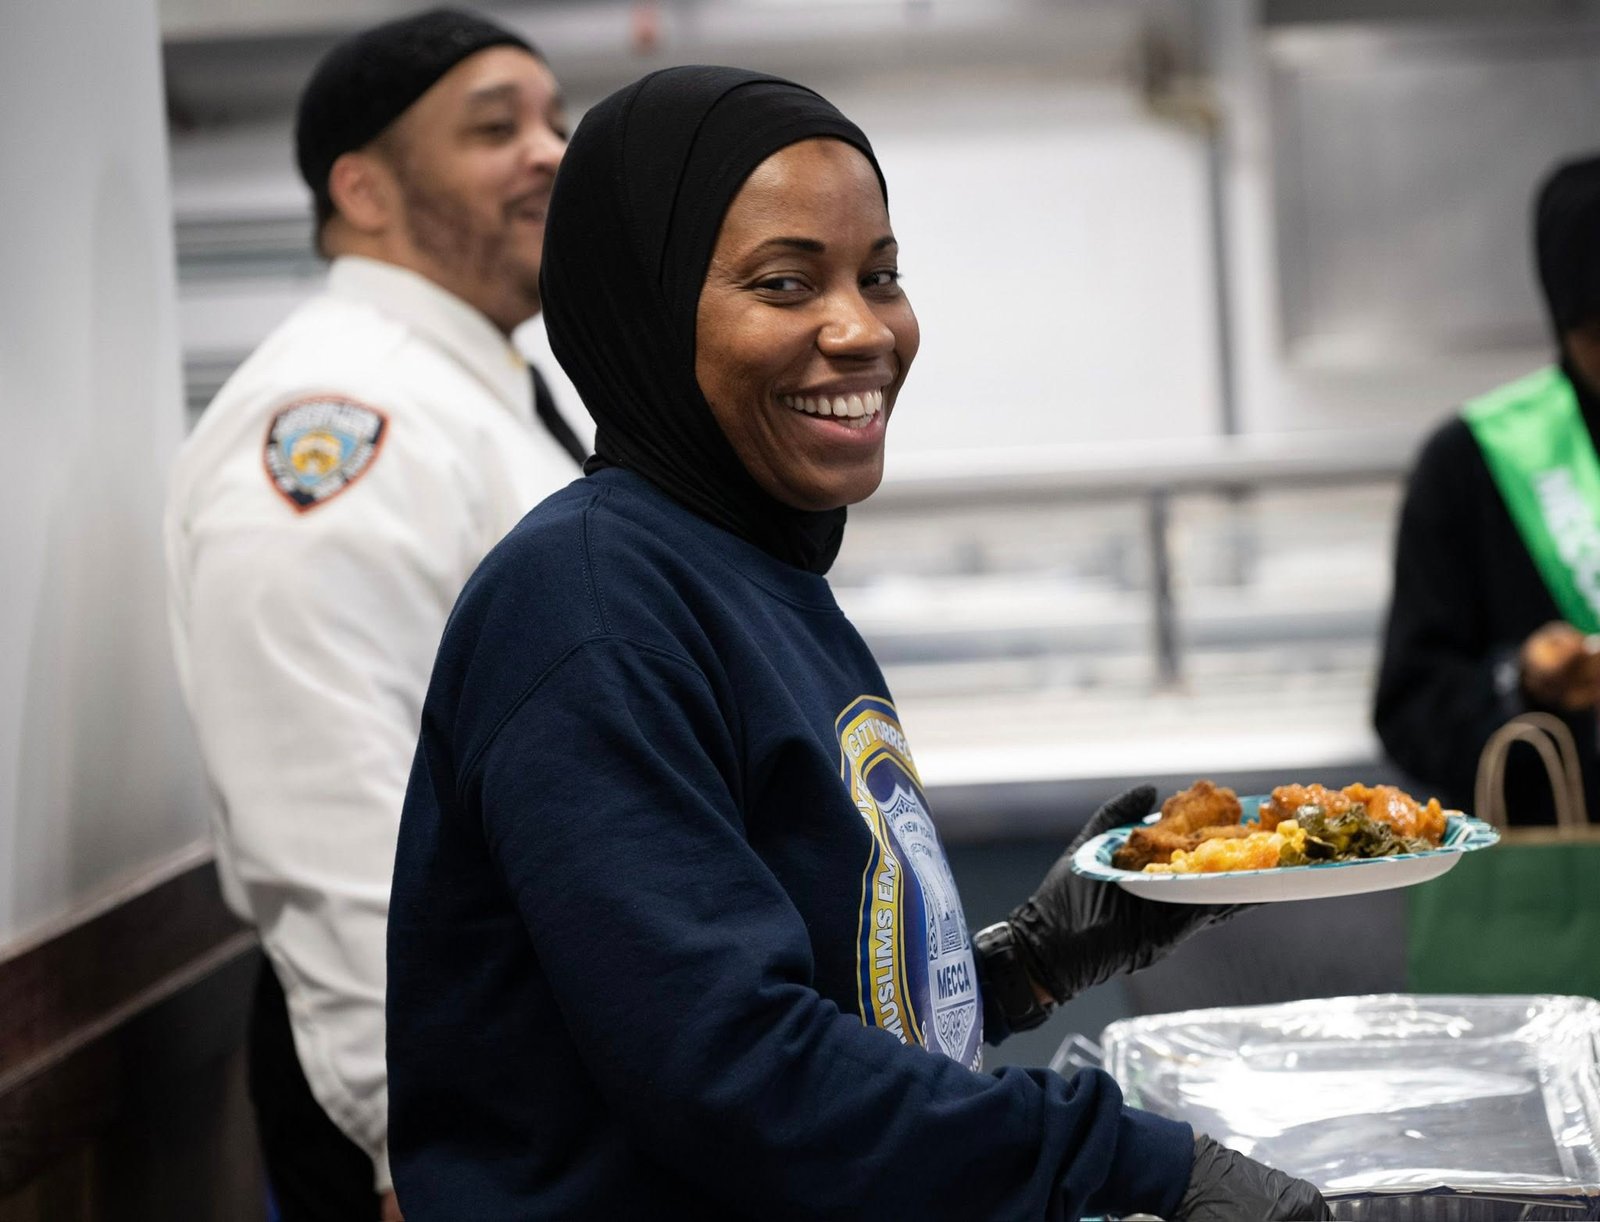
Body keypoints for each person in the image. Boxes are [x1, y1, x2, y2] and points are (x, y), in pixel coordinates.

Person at [385, 66, 1330, 1220]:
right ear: (645, 304)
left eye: (879, 275)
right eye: (785, 283)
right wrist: (1141, 1163)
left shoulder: (750, 568)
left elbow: (811, 1004)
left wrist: (1024, 964)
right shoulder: (591, 602)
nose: (861, 328)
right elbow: (740, 1075)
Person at [163, 10, 581, 1219]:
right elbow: (328, 798)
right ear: (363, 189)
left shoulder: (471, 389)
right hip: (457, 1099)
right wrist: (415, 1133)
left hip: (534, 1054)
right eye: (495, 128)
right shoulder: (340, 413)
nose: (550, 151)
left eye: (554, 121)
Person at [1376, 154, 1600, 824]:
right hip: (1558, 870)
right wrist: (1521, 683)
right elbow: (1410, 710)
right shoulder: (1473, 464)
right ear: (1565, 326)